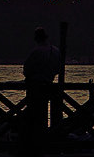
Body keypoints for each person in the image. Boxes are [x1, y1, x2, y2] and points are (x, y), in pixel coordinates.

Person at [20, 27, 61, 156]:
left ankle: (33, 142)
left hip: (35, 87)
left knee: (33, 114)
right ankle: (45, 139)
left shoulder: (36, 51)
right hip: (50, 85)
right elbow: (58, 69)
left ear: (36, 39)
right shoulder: (56, 51)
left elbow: (26, 70)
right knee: (42, 113)